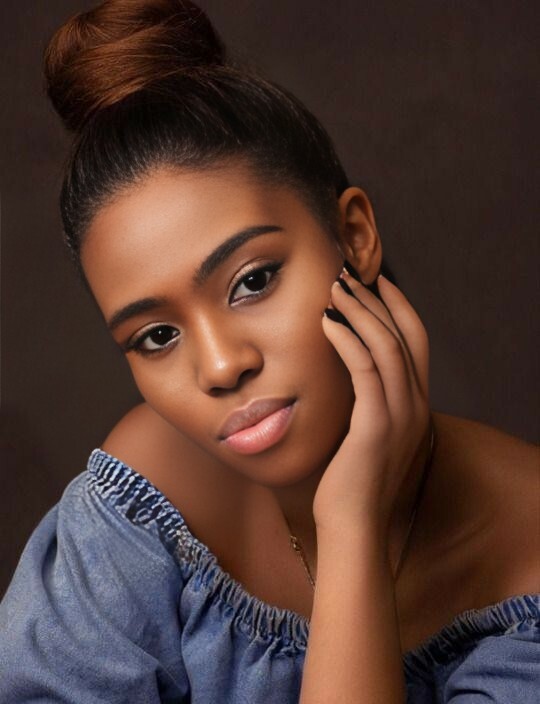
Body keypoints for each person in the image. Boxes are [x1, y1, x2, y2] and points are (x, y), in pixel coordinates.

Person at [1, 1, 538, 702]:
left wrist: (349, 524)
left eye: (252, 281)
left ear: (354, 237)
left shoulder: (526, 549)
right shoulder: (146, 507)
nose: (222, 366)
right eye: (157, 336)